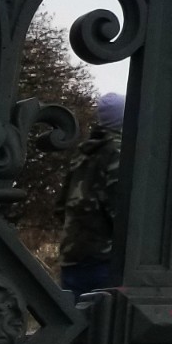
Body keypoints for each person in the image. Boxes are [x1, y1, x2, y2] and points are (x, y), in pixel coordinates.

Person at [57, 92, 123, 298]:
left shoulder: (83, 153)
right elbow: (121, 211)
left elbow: (61, 206)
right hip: (106, 259)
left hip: (73, 255)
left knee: (75, 323)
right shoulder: (119, 152)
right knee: (107, 325)